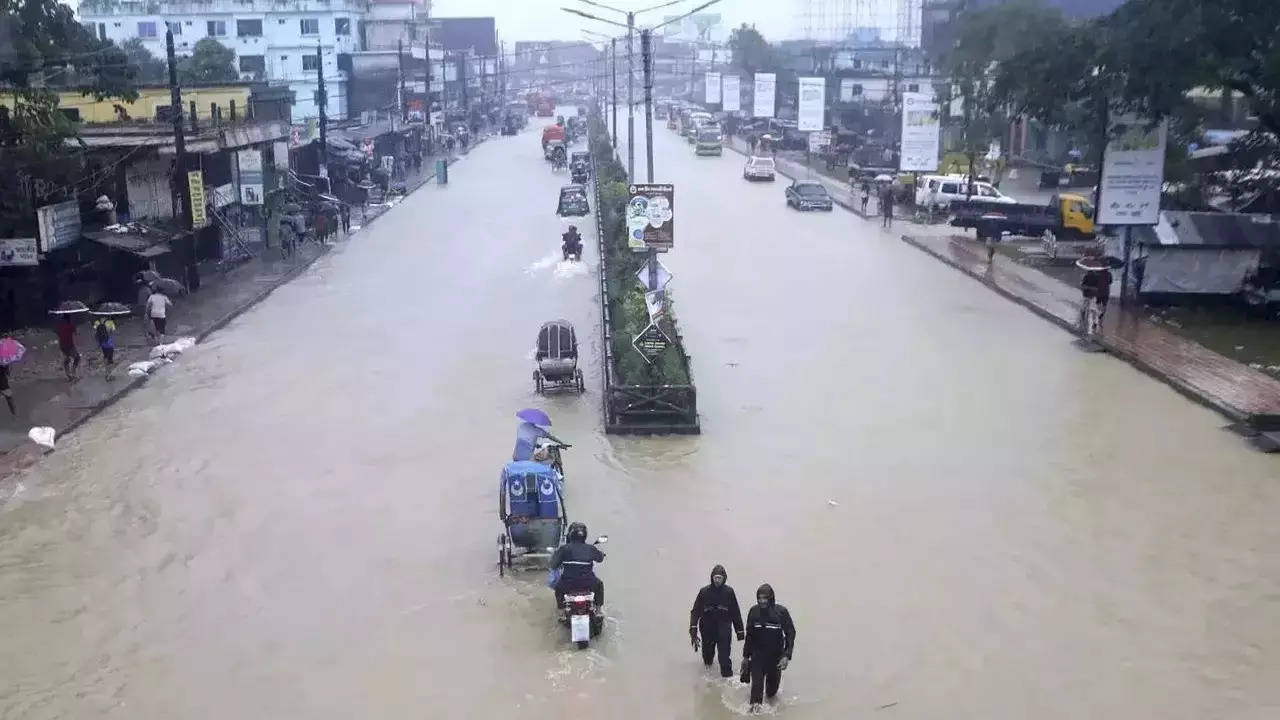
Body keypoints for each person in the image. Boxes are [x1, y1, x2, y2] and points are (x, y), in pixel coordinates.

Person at [742, 584, 796, 712]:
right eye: (759, 598)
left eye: (765, 598)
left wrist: (786, 656)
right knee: (756, 694)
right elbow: (749, 636)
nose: (762, 601)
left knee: (771, 694)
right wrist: (745, 657)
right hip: (757, 656)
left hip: (775, 658)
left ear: (770, 598)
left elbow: (791, 633)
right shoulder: (753, 612)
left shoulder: (781, 612)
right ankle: (754, 712)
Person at [689, 565, 745, 678]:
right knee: (708, 658)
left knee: (724, 658)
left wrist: (740, 631)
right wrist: (693, 628)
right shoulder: (704, 592)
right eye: (715, 577)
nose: (717, 580)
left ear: (724, 578)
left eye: (719, 577)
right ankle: (708, 682)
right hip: (707, 628)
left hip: (724, 628)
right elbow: (695, 611)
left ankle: (727, 679)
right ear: (712, 578)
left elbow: (735, 612)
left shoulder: (729, 592)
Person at [549, 522, 605, 614]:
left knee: (558, 588)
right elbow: (600, 559)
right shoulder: (590, 548)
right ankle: (599, 611)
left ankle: (561, 612)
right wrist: (601, 553)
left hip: (568, 583)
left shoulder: (564, 549)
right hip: (588, 583)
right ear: (585, 535)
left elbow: (553, 565)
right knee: (599, 585)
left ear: (570, 535)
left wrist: (555, 557)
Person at [55, 314, 81, 381]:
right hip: (70, 345)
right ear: (69, 319)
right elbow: (76, 333)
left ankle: (68, 374)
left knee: (67, 359)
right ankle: (73, 372)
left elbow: (58, 333)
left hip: (62, 345)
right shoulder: (71, 325)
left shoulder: (60, 325)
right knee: (77, 357)